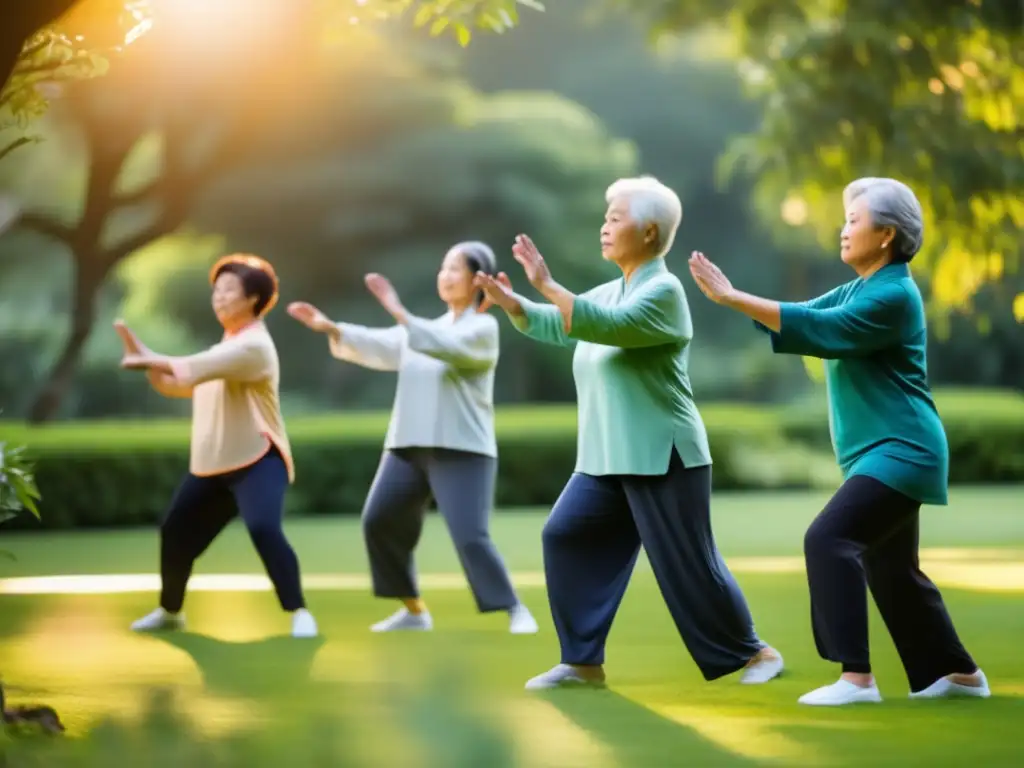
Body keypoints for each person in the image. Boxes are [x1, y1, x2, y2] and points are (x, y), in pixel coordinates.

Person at [688, 176, 990, 706]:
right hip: (885, 451)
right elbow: (806, 317)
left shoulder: (893, 294)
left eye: (854, 220)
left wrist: (733, 296)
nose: (843, 229)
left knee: (827, 540)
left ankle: (857, 679)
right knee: (891, 566)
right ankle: (955, 673)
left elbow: (822, 330)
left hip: (903, 449)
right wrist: (736, 301)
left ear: (886, 235)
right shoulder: (863, 286)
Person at [475, 175, 783, 690]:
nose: (605, 226)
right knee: (565, 535)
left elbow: (605, 326)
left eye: (616, 218)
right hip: (605, 459)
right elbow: (563, 322)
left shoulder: (664, 291)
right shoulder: (609, 290)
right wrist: (513, 303)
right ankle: (582, 662)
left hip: (664, 455)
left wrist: (549, 284)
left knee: (688, 564)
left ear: (649, 232)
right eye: (606, 216)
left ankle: (756, 653)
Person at [288, 241, 538, 635]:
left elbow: (447, 348)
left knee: (470, 536)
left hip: (463, 450)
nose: (445, 275)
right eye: (443, 267)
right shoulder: (423, 329)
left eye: (455, 269)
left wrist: (400, 312)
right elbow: (382, 343)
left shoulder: (483, 328)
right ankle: (414, 610)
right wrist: (331, 328)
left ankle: (514, 608)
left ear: (478, 280)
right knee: (379, 521)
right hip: (406, 447)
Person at [116, 253, 317, 639]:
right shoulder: (223, 347)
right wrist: (152, 367)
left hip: (258, 459)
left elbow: (193, 366)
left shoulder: (254, 346)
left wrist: (149, 357)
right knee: (175, 532)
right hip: (212, 465)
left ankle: (299, 612)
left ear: (253, 300)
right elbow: (178, 384)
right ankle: (170, 611)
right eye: (217, 290)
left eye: (229, 290)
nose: (219, 298)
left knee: (263, 528)